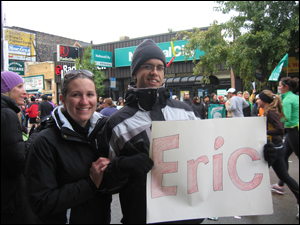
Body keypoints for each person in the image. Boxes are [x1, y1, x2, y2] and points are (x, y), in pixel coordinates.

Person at [101, 39, 203, 224]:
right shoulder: (117, 123)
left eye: (160, 67)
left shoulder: (187, 112)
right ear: (135, 72)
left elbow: (212, 157)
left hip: (187, 217)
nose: (154, 72)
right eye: (147, 66)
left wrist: (259, 156)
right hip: (141, 218)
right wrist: (123, 166)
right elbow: (105, 182)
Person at [25, 70, 112, 223]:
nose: (84, 102)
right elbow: (41, 202)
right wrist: (90, 183)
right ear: (63, 99)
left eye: (90, 94)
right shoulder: (44, 141)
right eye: (76, 95)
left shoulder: (105, 131)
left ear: (97, 98)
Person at [1, 71, 38, 223]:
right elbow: (19, 161)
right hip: (10, 199)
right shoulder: (7, 114)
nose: (24, 92)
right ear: (6, 90)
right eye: (19, 86)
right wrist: (35, 136)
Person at [256, 90, 299, 218]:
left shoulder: (270, 112)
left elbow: (280, 129)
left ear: (264, 101)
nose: (257, 101)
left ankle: (252, 205)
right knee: (284, 176)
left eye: (258, 99)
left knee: (257, 177)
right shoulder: (268, 111)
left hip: (273, 150)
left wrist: (264, 131)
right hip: (278, 148)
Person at [271, 77, 299, 201]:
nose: (279, 87)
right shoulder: (295, 97)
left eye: (280, 86)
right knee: (284, 157)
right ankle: (280, 185)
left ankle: (282, 184)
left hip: (294, 131)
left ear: (286, 86)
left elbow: (285, 118)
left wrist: (273, 120)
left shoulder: (287, 100)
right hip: (293, 130)